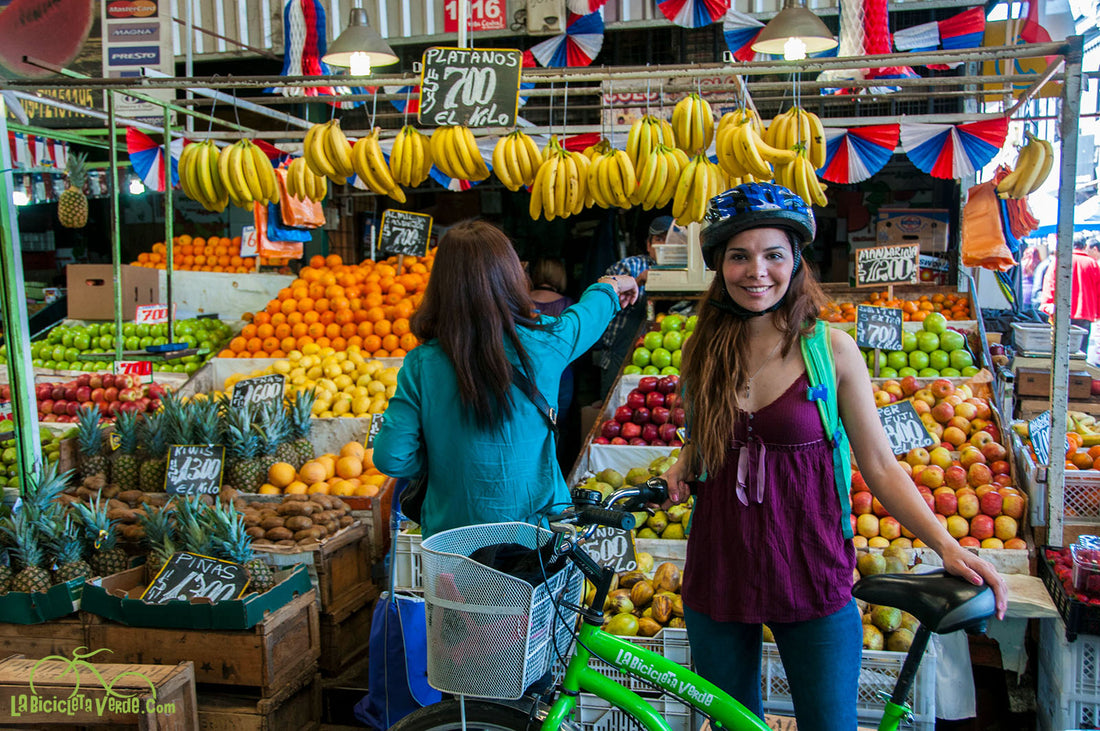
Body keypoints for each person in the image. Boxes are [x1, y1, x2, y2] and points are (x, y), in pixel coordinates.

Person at [659, 183, 1008, 731]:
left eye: (774, 255)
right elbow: (706, 433)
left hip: (809, 567)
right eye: (739, 256)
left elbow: (881, 465)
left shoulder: (831, 349)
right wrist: (687, 459)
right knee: (732, 724)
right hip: (719, 568)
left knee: (831, 724)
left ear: (795, 260)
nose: (757, 271)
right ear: (719, 266)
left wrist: (947, 544)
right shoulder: (701, 348)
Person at [373, 221, 638, 538]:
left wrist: (447, 463)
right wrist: (610, 285)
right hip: (534, 535)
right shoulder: (547, 341)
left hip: (451, 542)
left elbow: (391, 456)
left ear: (441, 284)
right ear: (512, 275)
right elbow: (586, 316)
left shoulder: (421, 362)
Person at [593, 215, 672, 397]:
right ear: (648, 245)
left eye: (670, 239)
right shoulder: (630, 266)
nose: (665, 245)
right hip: (621, 357)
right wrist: (637, 282)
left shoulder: (686, 272)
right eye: (659, 239)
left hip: (661, 357)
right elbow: (607, 303)